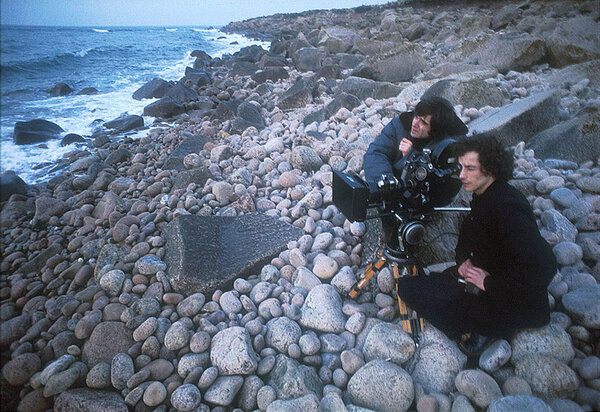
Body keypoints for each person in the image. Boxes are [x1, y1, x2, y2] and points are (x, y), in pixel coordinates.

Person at [396, 135, 557, 355]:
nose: (461, 175)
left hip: (511, 302)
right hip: (487, 279)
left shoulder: (506, 206)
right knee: (414, 285)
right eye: (461, 167)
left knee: (409, 290)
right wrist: (464, 261)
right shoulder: (485, 195)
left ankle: (480, 331)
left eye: (470, 168)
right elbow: (471, 236)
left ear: (491, 169)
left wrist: (488, 283)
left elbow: (544, 265)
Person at [363, 96, 468, 243]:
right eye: (416, 116)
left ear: (436, 130)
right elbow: (376, 153)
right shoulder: (399, 125)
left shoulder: (450, 146)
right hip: (395, 180)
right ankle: (390, 230)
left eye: (423, 122)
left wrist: (411, 156)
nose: (415, 123)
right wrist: (387, 182)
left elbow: (443, 187)